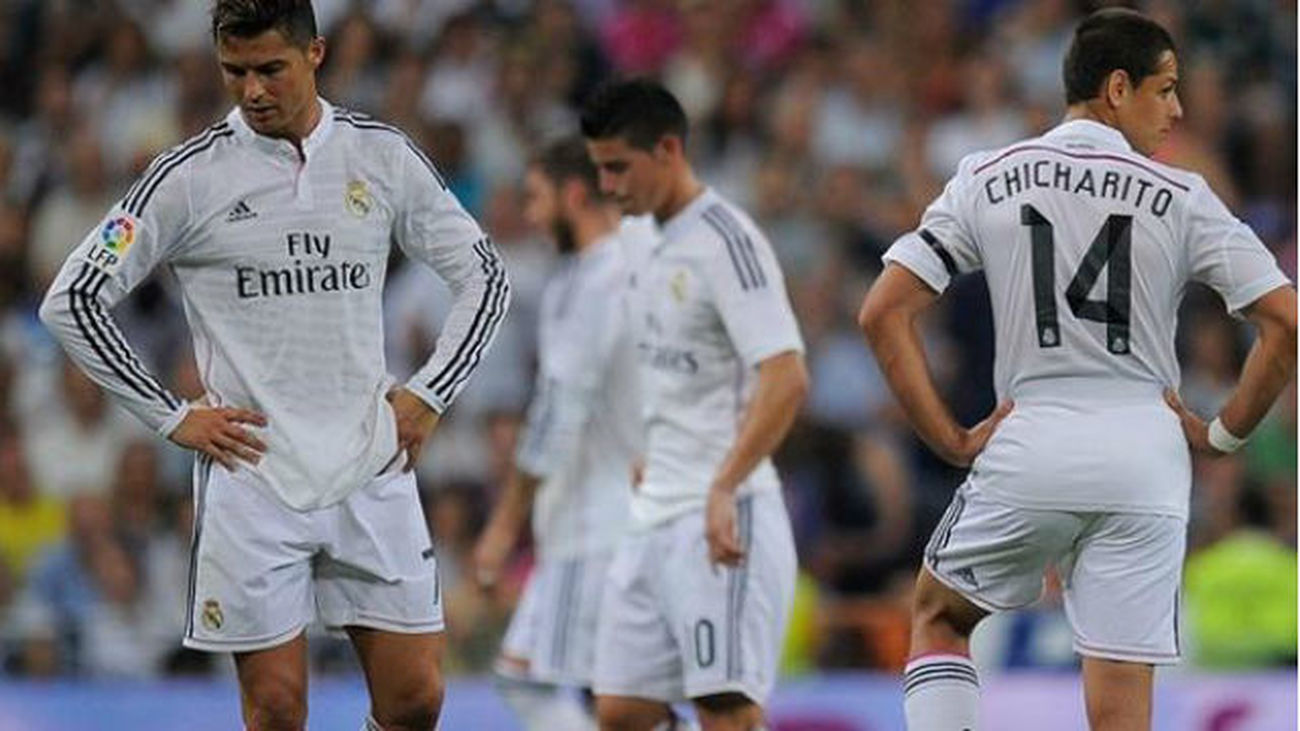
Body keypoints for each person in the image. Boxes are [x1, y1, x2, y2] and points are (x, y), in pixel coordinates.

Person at [38, 1, 510, 729]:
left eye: (270, 69)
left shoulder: (379, 154)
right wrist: (171, 415)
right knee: (278, 707)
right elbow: (71, 298)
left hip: (369, 463)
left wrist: (428, 394)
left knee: (417, 698)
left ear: (315, 54)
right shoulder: (186, 177)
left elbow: (486, 274)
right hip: (253, 476)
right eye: (235, 72)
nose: (252, 90)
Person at [857, 9, 1296, 731]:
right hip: (1148, 459)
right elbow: (1286, 321)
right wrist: (1221, 434)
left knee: (939, 614)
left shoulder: (988, 176)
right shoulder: (1183, 194)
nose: (1178, 108)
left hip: (1034, 440)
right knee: (1121, 706)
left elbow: (882, 312)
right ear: (1117, 88)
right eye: (1165, 88)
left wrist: (950, 438)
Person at [581, 79, 809, 731]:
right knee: (621, 710)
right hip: (652, 511)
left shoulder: (727, 242)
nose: (608, 185)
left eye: (619, 167)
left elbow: (786, 375)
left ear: (669, 149)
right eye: (599, 169)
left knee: (726, 712)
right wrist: (645, 447)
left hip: (723, 517)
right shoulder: (639, 238)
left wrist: (724, 483)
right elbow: (662, 364)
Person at [471, 135, 650, 730]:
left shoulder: (587, 283)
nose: (530, 215)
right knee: (607, 696)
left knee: (536, 681)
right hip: (631, 513)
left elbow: (557, 412)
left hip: (590, 526)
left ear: (574, 195)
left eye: (536, 198)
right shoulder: (644, 265)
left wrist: (502, 527)